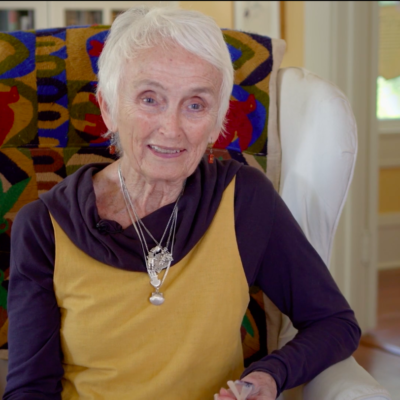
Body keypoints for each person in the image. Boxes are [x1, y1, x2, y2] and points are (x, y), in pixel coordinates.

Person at [4, 5, 360, 400]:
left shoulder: (243, 199)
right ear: (108, 108)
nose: (171, 129)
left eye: (195, 104)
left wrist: (271, 374)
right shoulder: (44, 226)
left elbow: (335, 323)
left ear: (217, 121)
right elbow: (30, 389)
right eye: (150, 98)